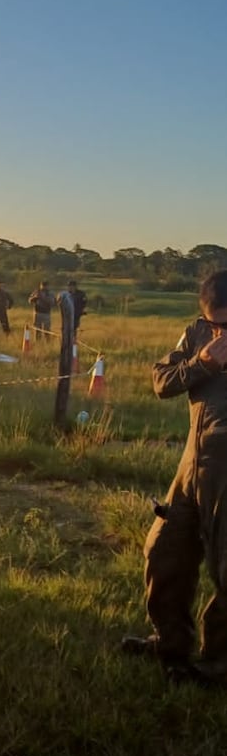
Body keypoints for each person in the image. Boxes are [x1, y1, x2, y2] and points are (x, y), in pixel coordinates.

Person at [121, 269, 227, 685]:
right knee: (164, 551)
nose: (221, 332)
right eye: (215, 323)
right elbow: (161, 381)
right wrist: (202, 363)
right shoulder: (196, 336)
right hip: (192, 461)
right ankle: (169, 643)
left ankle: (217, 664)